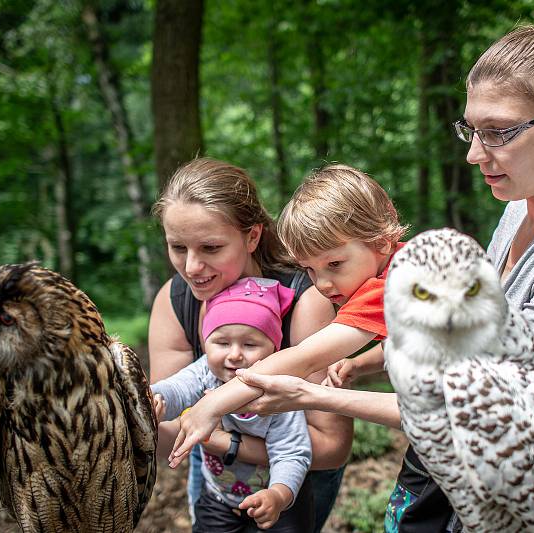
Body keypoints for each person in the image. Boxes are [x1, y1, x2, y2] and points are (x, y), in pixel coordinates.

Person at [233, 14, 534, 533]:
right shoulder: (518, 209)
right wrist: (372, 362)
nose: (475, 153)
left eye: (499, 132)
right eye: (471, 130)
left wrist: (313, 395)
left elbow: (481, 411)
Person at [148, 157, 352, 531]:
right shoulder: (175, 301)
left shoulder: (305, 299)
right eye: (178, 247)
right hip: (214, 474)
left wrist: (223, 442)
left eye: (210, 248)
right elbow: (163, 430)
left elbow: (331, 446)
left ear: (253, 236)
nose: (191, 266)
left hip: (295, 478)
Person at [168, 164, 409, 462]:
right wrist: (360, 364)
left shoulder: (393, 284)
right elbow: (416, 347)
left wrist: (215, 402)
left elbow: (304, 357)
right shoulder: (411, 268)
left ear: (381, 241)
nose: (322, 283)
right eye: (309, 269)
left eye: (334, 264)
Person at [152, 277, 313, 532]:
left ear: (273, 348)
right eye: (222, 343)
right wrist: (155, 398)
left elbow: (291, 451)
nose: (234, 354)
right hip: (218, 498)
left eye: (249, 344)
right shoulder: (207, 371)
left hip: (277, 503)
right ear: (207, 343)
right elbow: (178, 388)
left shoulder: (278, 391)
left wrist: (278, 496)